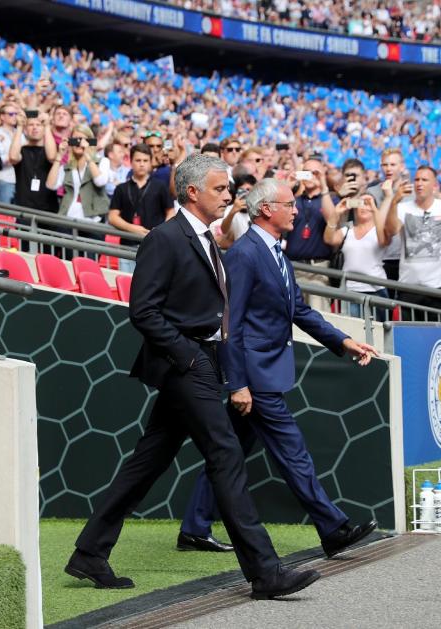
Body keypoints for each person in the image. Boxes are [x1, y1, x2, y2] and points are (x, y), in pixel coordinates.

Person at [66, 154, 322, 600]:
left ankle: (89, 551)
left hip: (202, 360)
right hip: (186, 363)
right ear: (192, 192)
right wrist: (189, 357)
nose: (230, 195)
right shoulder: (165, 239)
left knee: (147, 463)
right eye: (221, 189)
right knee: (226, 454)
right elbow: (142, 310)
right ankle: (264, 571)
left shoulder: (208, 239)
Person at [181, 178, 378, 563]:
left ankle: (194, 526)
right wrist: (237, 383)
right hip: (255, 378)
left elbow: (299, 311)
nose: (297, 210)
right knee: (294, 453)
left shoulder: (273, 251)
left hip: (263, 374)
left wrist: (342, 341)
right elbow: (230, 324)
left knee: (228, 454)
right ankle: (333, 528)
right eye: (290, 204)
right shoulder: (245, 253)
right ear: (267, 209)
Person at [384, 165, 441, 318]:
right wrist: (393, 202)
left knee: (439, 339)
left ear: (435, 185)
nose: (419, 183)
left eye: (424, 180)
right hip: (409, 286)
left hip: (438, 286)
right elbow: (391, 230)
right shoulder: (402, 207)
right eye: (417, 179)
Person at [107, 143, 174, 271]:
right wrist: (133, 229)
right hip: (127, 245)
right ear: (131, 162)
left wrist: (160, 230)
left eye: (145, 160)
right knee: (128, 284)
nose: (142, 164)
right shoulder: (121, 188)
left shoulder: (160, 186)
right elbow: (112, 216)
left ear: (150, 162)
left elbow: (171, 211)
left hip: (154, 245)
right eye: (138, 160)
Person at [323, 195, 391, 319]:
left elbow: (383, 240)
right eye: (360, 203)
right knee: (353, 331)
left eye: (367, 203)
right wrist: (336, 213)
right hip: (350, 289)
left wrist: (375, 209)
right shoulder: (347, 230)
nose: (363, 207)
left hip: (376, 288)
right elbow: (329, 239)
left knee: (377, 332)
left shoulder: (379, 230)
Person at [286, 157, 338, 310]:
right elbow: (276, 214)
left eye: (315, 172)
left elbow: (331, 219)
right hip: (294, 268)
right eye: (306, 172)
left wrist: (324, 186)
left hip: (319, 269)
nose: (310, 176)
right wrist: (287, 187)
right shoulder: (294, 200)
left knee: (319, 315)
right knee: (291, 316)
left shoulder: (331, 199)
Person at [46, 125, 109, 229]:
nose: (79, 143)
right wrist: (59, 156)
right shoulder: (67, 167)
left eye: (83, 139)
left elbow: (100, 181)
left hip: (92, 221)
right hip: (68, 219)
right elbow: (50, 185)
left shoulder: (102, 161)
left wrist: (87, 155)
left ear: (90, 141)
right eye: (75, 140)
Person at [366, 148, 405, 282]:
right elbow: (374, 226)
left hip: (405, 258)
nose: (388, 169)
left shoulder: (411, 193)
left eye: (392, 165)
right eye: (385, 165)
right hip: (380, 257)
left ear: (402, 167)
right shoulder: (372, 192)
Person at [10, 112, 57, 214]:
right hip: (24, 207)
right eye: (31, 125)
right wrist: (19, 127)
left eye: (39, 125)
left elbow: (52, 157)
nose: (34, 128)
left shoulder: (49, 149)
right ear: (25, 130)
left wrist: (47, 126)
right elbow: (13, 157)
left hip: (48, 207)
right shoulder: (21, 150)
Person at [212, 173, 257, 249]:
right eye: (241, 190)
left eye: (248, 190)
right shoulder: (229, 210)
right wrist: (233, 211)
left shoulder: (257, 211)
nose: (245, 194)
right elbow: (223, 230)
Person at [0, 102, 21, 205]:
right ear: (2, 116)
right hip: (4, 179)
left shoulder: (19, 133)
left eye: (16, 114)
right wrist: (15, 157)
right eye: (11, 114)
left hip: (19, 179)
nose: (15, 117)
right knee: (4, 213)